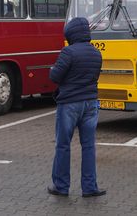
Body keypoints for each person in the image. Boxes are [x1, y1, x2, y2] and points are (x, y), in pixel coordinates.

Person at [47, 17, 106, 198]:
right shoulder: (96, 53)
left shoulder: (68, 52)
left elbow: (55, 77)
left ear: (71, 34)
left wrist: (52, 69)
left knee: (63, 145)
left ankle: (61, 186)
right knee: (88, 146)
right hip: (90, 103)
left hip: (70, 104)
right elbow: (94, 76)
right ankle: (89, 187)